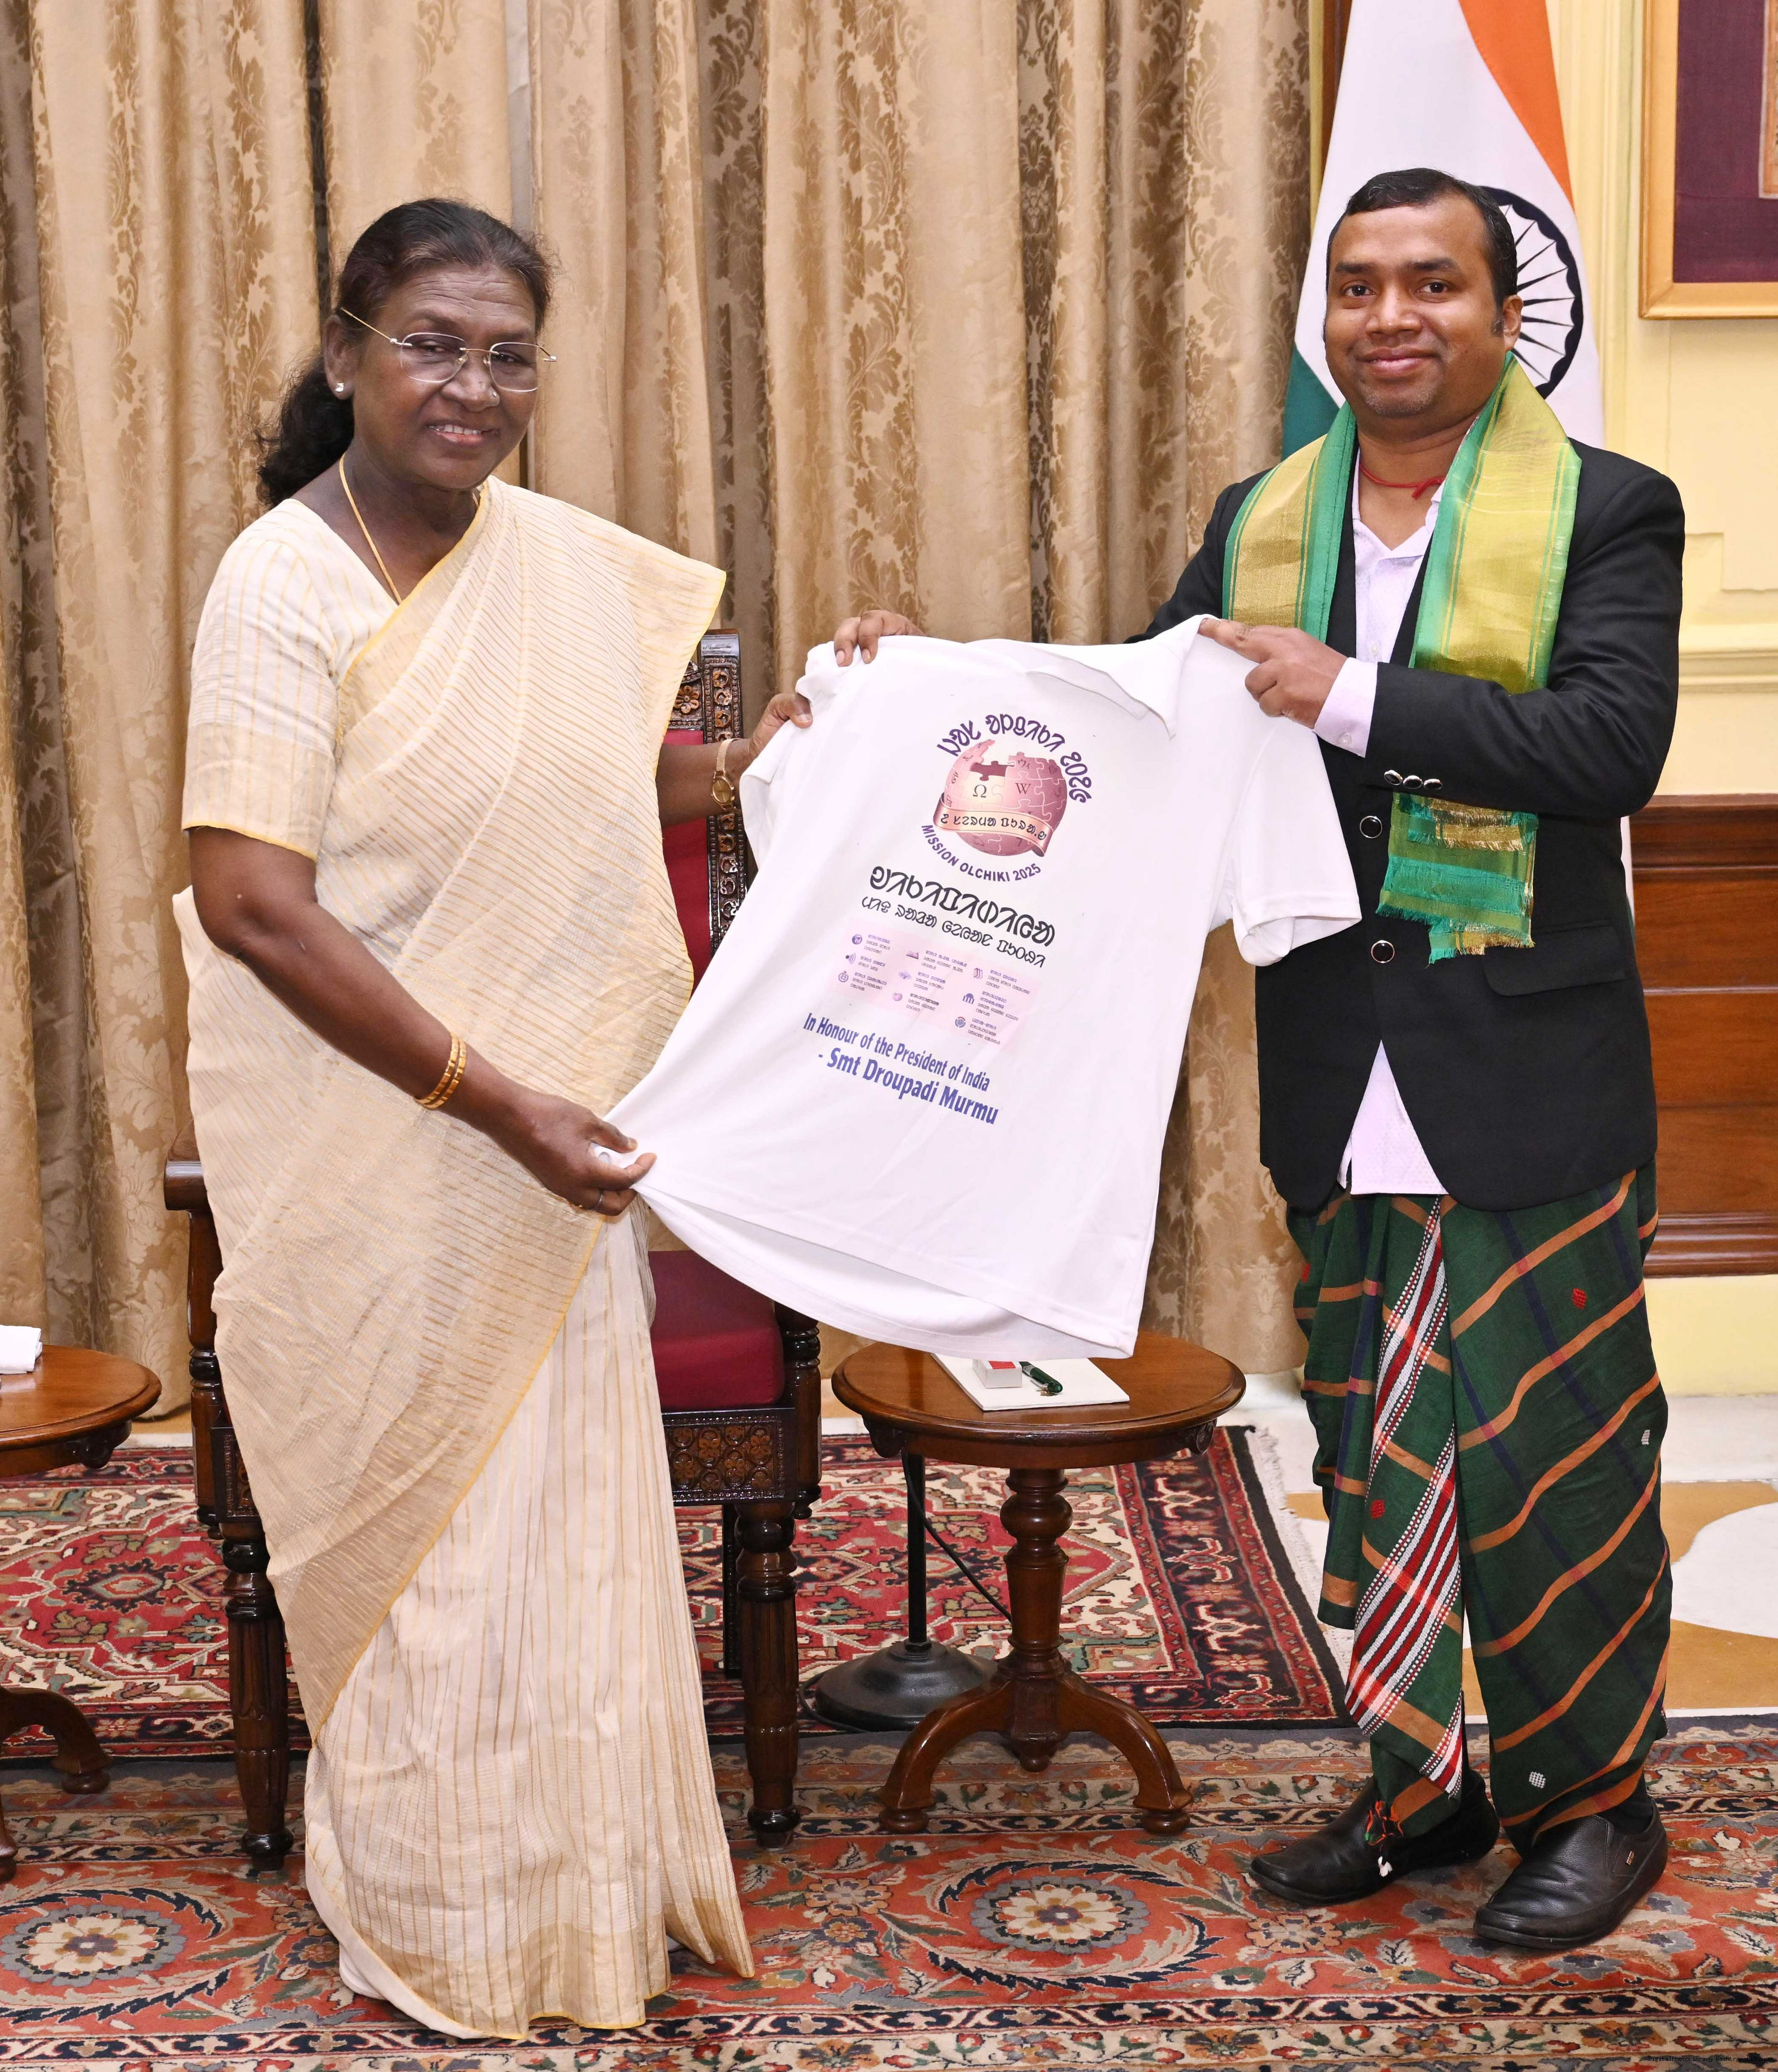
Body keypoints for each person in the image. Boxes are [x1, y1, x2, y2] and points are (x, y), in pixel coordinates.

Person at [833, 167, 1682, 1952]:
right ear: (1325, 319)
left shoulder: (1610, 508)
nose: (1391, 317)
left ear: (1503, 314)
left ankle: (1592, 1801)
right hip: (1336, 1064)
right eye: (1358, 286)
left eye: (1432, 283)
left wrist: (1340, 692)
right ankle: (1419, 1781)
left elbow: (1608, 747)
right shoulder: (1264, 517)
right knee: (1375, 1440)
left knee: (1549, 1458)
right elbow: (1137, 716)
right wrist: (928, 684)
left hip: (1522, 1072)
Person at [177, 198, 812, 2036]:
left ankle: (577, 1893)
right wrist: (495, 1101)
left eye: (508, 353)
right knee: (431, 1557)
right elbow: (250, 900)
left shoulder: (541, 563)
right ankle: (449, 1918)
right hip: (383, 1143)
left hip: (546, 1143)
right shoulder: (282, 582)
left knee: (557, 1541)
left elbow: (606, 790)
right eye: (434, 343)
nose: (473, 384)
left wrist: (788, 746)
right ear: (347, 353)